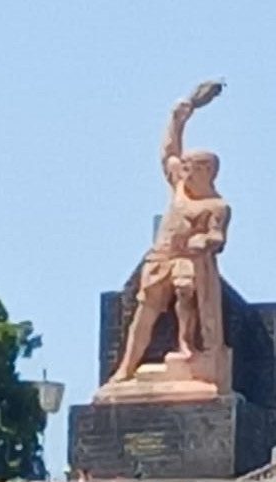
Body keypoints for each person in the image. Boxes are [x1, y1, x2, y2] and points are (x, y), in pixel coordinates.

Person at [108, 91, 230, 382]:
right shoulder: (178, 187)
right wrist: (179, 116)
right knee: (145, 310)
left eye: (194, 168)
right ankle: (127, 366)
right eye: (185, 168)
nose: (186, 172)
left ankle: (187, 345)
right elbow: (169, 151)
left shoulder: (217, 206)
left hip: (188, 260)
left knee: (186, 291)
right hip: (161, 257)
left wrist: (205, 241)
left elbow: (218, 236)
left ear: (208, 171)